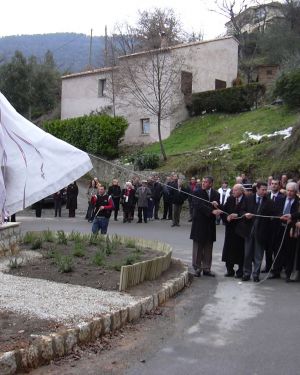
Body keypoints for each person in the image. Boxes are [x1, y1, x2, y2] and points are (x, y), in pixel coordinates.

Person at [238, 181, 276, 282]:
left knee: (258, 255)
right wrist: (245, 214)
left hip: (262, 231)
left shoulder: (269, 202)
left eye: (265, 190)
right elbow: (241, 211)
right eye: (263, 190)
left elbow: (273, 215)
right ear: (257, 189)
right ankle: (246, 273)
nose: (265, 192)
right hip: (249, 230)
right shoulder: (248, 198)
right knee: (247, 254)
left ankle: (256, 274)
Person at [190, 176, 221, 277]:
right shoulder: (196, 192)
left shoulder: (216, 194)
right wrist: (211, 211)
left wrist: (217, 205)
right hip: (199, 223)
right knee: (198, 247)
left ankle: (207, 268)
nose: (203, 183)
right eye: (203, 181)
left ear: (211, 184)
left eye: (206, 182)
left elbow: (217, 207)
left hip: (210, 225)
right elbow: (198, 205)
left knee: (208, 247)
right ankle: (197, 268)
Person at [269, 182, 299, 282]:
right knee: (277, 249)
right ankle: (276, 271)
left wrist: (292, 218)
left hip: (291, 229)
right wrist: (281, 215)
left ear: (295, 192)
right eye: (288, 191)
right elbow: (274, 211)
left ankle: (288, 273)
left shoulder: (298, 202)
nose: (290, 193)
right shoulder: (280, 199)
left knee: (289, 251)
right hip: (279, 228)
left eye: (292, 191)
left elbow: (298, 214)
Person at [221, 184, 245, 278]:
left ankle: (240, 271)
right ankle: (229, 270)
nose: (233, 192)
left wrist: (237, 215)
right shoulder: (230, 199)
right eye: (233, 190)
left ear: (241, 191)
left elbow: (246, 211)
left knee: (241, 250)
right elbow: (224, 210)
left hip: (241, 228)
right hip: (230, 228)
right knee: (229, 249)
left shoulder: (246, 200)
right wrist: (226, 217)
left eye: (235, 190)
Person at [262, 178, 284, 272]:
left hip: (278, 226)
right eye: (272, 183)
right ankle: (268, 266)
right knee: (267, 248)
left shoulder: (283, 197)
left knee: (276, 248)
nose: (274, 185)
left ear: (279, 186)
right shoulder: (266, 196)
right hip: (267, 227)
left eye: (276, 184)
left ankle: (276, 268)